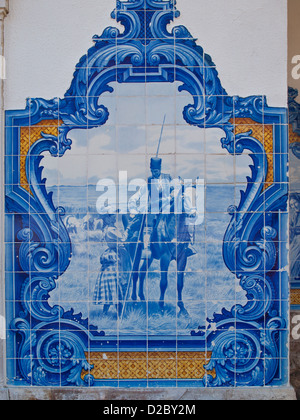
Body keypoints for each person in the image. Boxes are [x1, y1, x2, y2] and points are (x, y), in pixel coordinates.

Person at [93, 225, 129, 315]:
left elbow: (125, 263)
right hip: (106, 274)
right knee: (108, 296)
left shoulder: (120, 251)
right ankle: (105, 314)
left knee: (116, 295)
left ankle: (119, 315)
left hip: (114, 273)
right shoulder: (109, 250)